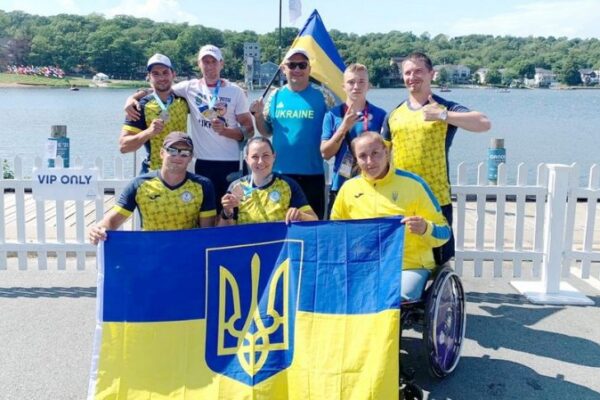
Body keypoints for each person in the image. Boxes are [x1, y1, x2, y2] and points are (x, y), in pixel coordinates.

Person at [382, 51, 491, 265]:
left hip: (436, 198)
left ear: (431, 74)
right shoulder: (393, 114)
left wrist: (442, 115)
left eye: (418, 71)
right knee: (400, 260)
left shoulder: (444, 107)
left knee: (439, 261)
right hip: (401, 198)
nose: (412, 77)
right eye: (408, 72)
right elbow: (381, 155)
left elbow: (483, 123)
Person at [125, 45, 254, 212]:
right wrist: (132, 97)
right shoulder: (188, 87)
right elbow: (160, 88)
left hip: (231, 162)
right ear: (199, 64)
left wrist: (225, 131)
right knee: (207, 213)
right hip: (202, 163)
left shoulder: (235, 91)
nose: (209, 66)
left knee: (232, 212)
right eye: (205, 62)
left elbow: (249, 130)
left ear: (221, 64)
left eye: (213, 62)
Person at [330, 132, 450, 298]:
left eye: (375, 153)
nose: (370, 161)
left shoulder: (414, 185)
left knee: (395, 297)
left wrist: (425, 228)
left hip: (408, 265)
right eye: (363, 156)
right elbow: (335, 232)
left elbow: (444, 232)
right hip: (364, 264)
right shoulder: (348, 189)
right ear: (356, 159)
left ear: (386, 152)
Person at [251, 48, 335, 220]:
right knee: (280, 224)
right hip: (279, 174)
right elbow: (266, 131)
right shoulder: (275, 95)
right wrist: (258, 116)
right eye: (292, 65)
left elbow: (336, 128)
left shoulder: (323, 95)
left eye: (302, 65)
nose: (297, 69)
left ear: (309, 69)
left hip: (313, 173)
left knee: (312, 225)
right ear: (284, 69)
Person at [89, 132, 216, 244]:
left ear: (190, 157)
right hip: (150, 251)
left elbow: (207, 231)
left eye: (184, 153)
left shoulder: (203, 186)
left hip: (187, 251)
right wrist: (97, 231)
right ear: (162, 153)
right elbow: (112, 221)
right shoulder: (139, 184)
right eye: (172, 151)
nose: (178, 157)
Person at [320, 63, 387, 217]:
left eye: (361, 82)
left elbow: (386, 153)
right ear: (344, 87)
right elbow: (325, 153)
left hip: (372, 186)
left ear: (368, 86)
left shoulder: (380, 115)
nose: (356, 86)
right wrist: (344, 127)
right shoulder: (333, 115)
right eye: (351, 82)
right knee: (338, 229)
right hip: (341, 184)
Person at [218, 136, 317, 226]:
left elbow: (314, 220)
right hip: (246, 239)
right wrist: (227, 212)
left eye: (265, 155)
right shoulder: (237, 187)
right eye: (255, 157)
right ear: (247, 159)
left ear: (274, 157)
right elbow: (222, 232)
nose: (260, 161)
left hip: (279, 240)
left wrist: (300, 215)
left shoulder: (288, 185)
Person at [119, 54, 189, 173]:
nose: (161, 78)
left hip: (181, 173)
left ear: (173, 74)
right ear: (149, 77)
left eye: (165, 72)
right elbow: (123, 147)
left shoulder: (184, 99)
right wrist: (148, 132)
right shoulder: (139, 105)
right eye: (156, 74)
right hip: (153, 173)